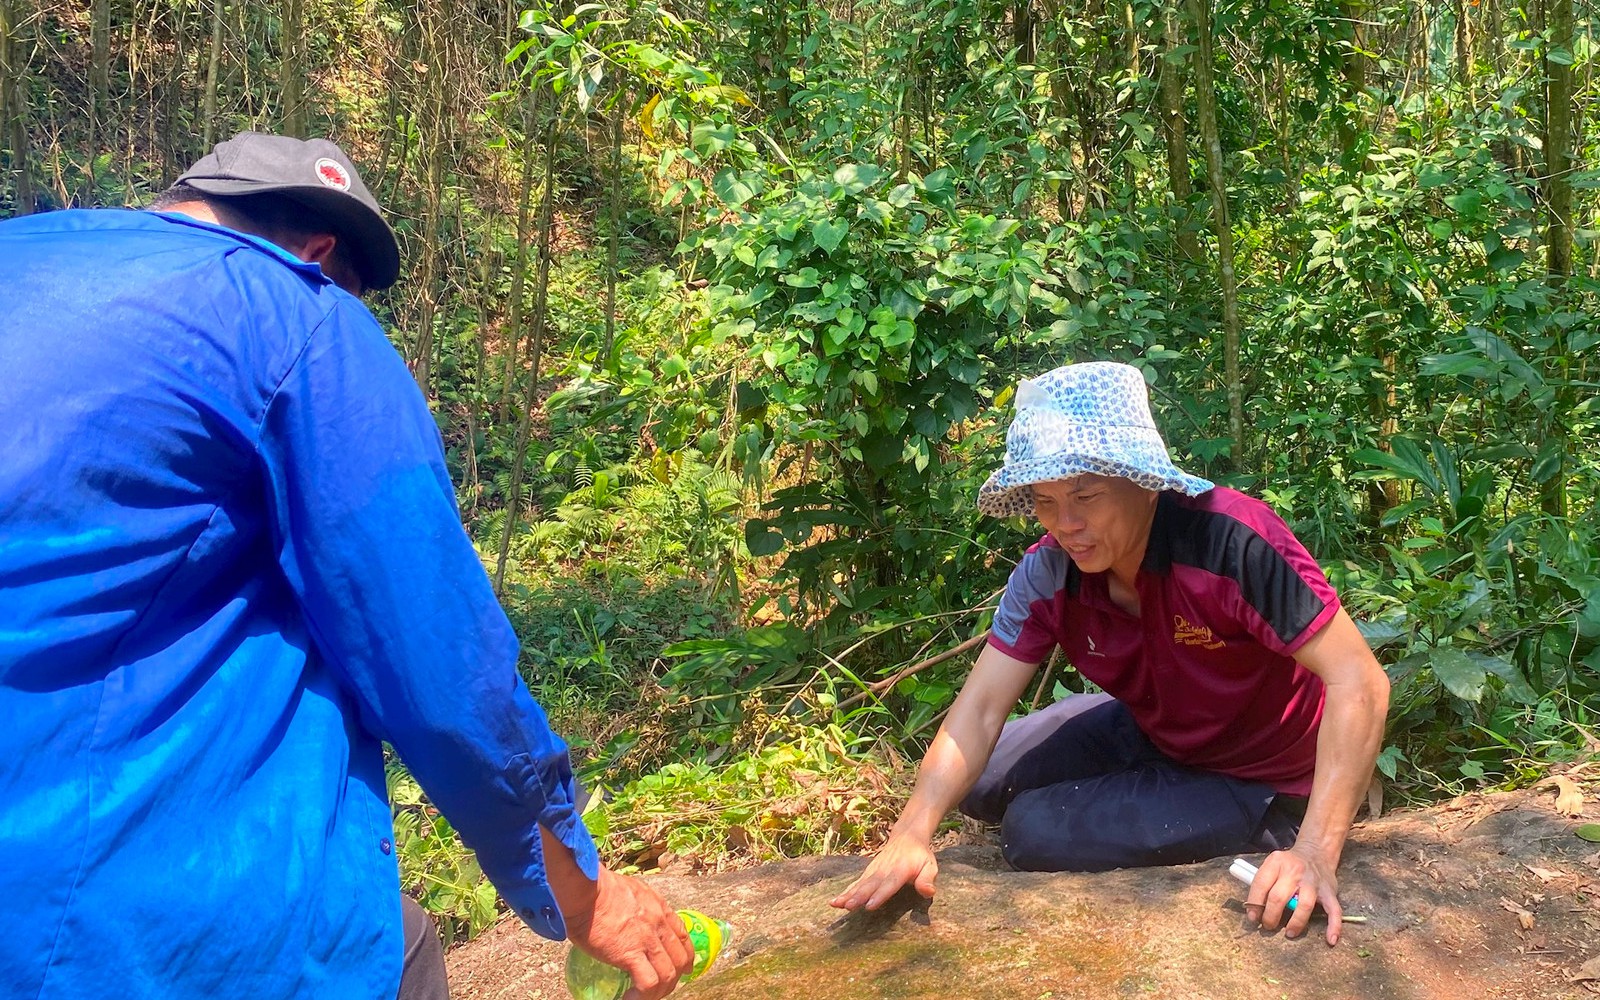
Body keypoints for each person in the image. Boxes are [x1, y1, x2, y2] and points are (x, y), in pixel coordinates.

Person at [0, 132, 694, 999]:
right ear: (321, 254)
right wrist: (584, 896)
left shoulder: (30, 251)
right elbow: (435, 656)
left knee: (403, 940)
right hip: (90, 921)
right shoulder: (293, 311)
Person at [831, 361, 1390, 946]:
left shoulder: (1231, 542)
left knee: (1031, 831)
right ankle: (1145, 778)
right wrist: (911, 831)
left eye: (1086, 495)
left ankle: (1266, 823)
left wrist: (1317, 851)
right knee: (980, 781)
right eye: (1044, 501)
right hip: (1155, 723)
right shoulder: (1048, 571)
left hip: (1261, 772)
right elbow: (980, 710)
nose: (1066, 524)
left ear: (1144, 480)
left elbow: (1360, 680)